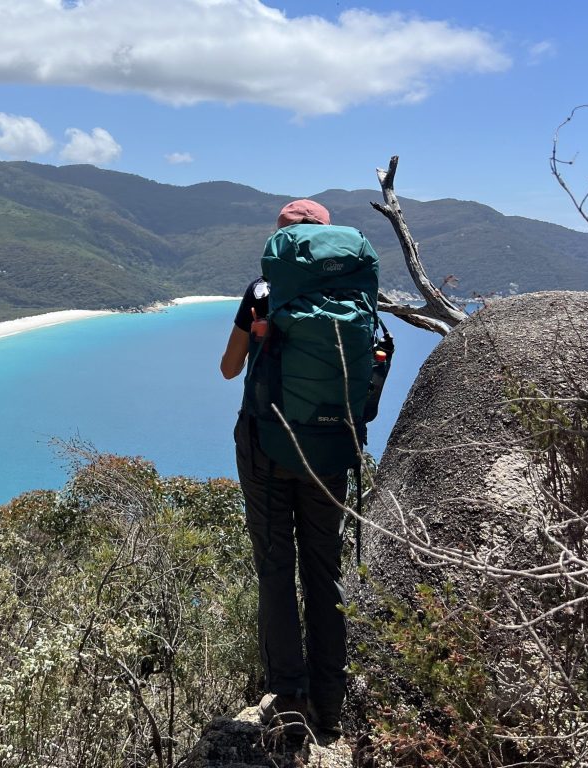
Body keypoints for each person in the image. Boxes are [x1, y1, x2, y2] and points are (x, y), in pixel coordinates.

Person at [220, 199, 352, 740]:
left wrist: (256, 339)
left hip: (267, 446)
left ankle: (291, 699)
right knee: (326, 571)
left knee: (277, 569)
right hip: (329, 450)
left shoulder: (261, 291)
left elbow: (229, 370)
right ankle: (331, 701)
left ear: (281, 240)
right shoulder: (352, 293)